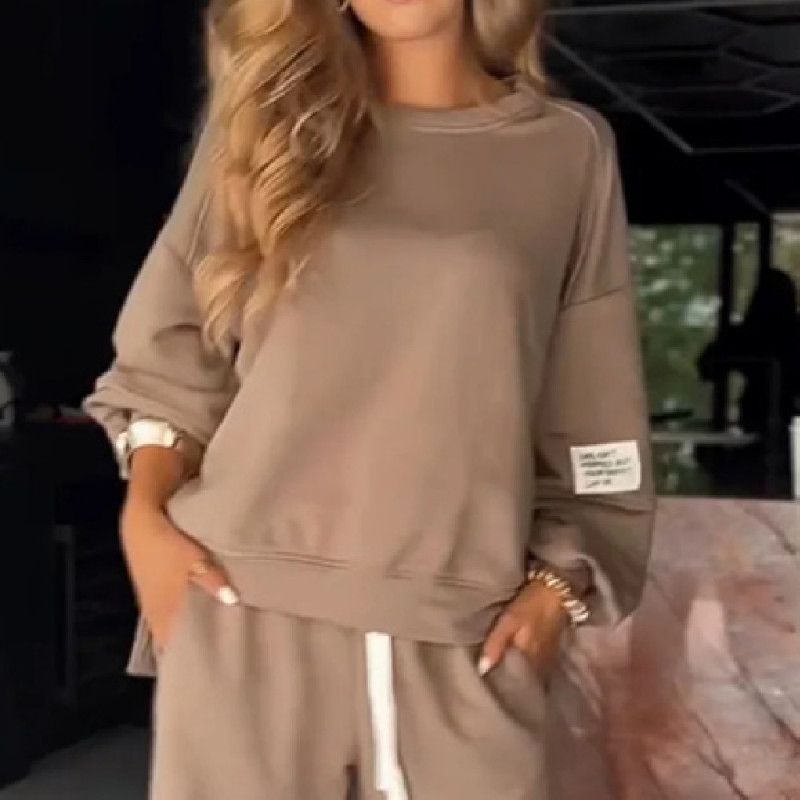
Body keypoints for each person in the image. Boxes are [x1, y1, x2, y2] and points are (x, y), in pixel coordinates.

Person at [84, 0, 656, 796]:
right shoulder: (261, 132)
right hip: (243, 602)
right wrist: (145, 523)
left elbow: (593, 403)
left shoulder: (566, 149)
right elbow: (171, 353)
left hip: (463, 628)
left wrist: (561, 586)